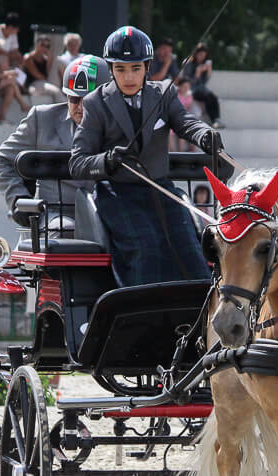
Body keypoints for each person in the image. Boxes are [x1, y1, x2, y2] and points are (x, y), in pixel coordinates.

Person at [70, 26, 218, 286]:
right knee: (146, 249)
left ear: (147, 67)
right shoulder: (95, 102)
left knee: (189, 248)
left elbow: (185, 122)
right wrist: (106, 161)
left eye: (135, 68)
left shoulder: (164, 93)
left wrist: (205, 135)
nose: (128, 77)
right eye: (120, 69)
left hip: (161, 190)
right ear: (111, 69)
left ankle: (198, 308)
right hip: (118, 194)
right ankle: (139, 310)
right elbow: (78, 163)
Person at [0, 55, 104, 241]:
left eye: (88, 100)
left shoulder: (119, 124)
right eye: (74, 98)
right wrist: (17, 198)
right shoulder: (42, 118)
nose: (80, 107)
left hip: (105, 212)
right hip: (52, 216)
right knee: (66, 230)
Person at [179, 43, 223, 128]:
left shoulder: (203, 64)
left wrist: (208, 72)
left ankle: (217, 119)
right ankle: (214, 120)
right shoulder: (188, 63)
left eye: (204, 56)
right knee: (207, 97)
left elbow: (204, 82)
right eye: (200, 55)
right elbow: (186, 83)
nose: (202, 57)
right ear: (196, 54)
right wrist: (197, 74)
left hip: (201, 89)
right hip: (190, 90)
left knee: (213, 97)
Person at [24, 36, 66, 103]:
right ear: (36, 45)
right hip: (33, 85)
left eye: (47, 46)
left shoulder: (45, 59)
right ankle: (66, 107)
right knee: (56, 91)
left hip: (43, 83)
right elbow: (39, 76)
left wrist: (49, 60)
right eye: (42, 45)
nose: (45, 48)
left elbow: (47, 73)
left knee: (58, 61)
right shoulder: (28, 58)